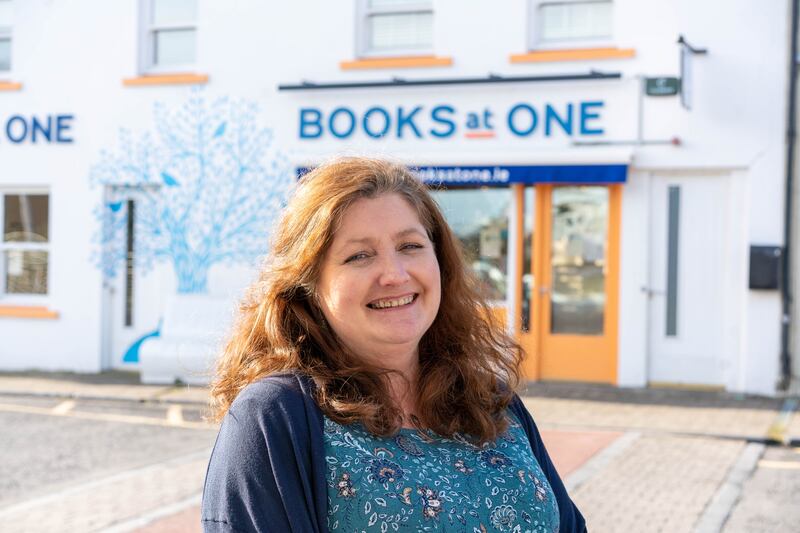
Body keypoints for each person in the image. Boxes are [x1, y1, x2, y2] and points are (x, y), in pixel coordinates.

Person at [201, 157, 586, 532]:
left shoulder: (492, 400)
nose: (394, 275)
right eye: (359, 256)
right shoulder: (274, 417)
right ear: (308, 286)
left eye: (410, 246)